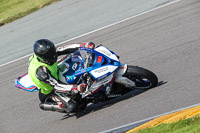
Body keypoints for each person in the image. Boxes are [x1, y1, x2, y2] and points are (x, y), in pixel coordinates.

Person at [28, 39, 95, 113]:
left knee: (74, 57)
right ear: (43, 57)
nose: (53, 54)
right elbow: (56, 85)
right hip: (51, 90)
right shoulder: (42, 73)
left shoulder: (48, 52)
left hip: (54, 70)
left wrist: (83, 45)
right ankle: (60, 105)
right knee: (72, 106)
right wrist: (75, 87)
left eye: (52, 51)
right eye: (50, 54)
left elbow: (63, 49)